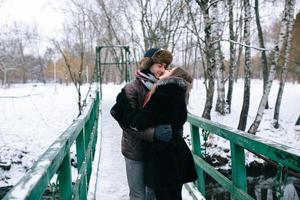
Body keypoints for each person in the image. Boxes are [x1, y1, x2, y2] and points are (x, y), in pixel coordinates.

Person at [112, 67, 198, 200]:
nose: (165, 70)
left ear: (173, 76)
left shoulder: (163, 94)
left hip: (164, 161)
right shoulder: (179, 94)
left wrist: (122, 105)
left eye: (169, 70)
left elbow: (139, 121)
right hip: (176, 158)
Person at [111, 48, 173, 200]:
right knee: (138, 195)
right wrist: (154, 133)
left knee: (152, 194)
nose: (163, 70)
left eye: (165, 66)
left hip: (155, 151)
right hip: (135, 151)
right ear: (149, 64)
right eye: (160, 65)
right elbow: (126, 123)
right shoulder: (131, 88)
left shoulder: (163, 87)